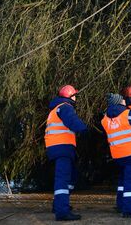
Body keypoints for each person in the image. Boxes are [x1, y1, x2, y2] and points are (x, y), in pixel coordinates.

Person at [101, 92, 131, 218]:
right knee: (130, 181)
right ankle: (128, 210)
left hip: (117, 155)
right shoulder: (128, 114)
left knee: (122, 179)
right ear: (118, 102)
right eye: (122, 99)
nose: (124, 101)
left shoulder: (105, 119)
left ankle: (120, 204)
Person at [45, 85, 88, 221]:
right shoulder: (65, 107)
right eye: (74, 95)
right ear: (70, 96)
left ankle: (59, 205)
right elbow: (74, 123)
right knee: (63, 179)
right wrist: (85, 129)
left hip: (58, 147)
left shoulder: (56, 109)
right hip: (62, 147)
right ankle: (62, 212)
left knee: (71, 176)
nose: (76, 97)